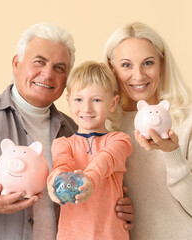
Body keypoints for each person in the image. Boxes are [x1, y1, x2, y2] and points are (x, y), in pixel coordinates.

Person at [0, 23, 133, 240]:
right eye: (39, 62)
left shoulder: (74, 131)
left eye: (59, 68)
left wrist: (119, 208)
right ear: (16, 63)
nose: (48, 74)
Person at [103, 22, 192, 240]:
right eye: (126, 65)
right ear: (112, 68)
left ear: (161, 63)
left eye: (148, 63)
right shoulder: (107, 126)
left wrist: (172, 153)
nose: (138, 76)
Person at [47, 61, 132, 240]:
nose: (87, 109)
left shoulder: (119, 140)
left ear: (113, 103)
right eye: (79, 99)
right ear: (69, 101)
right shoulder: (62, 143)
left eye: (96, 100)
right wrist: (55, 180)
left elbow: (105, 160)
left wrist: (90, 180)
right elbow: (62, 164)